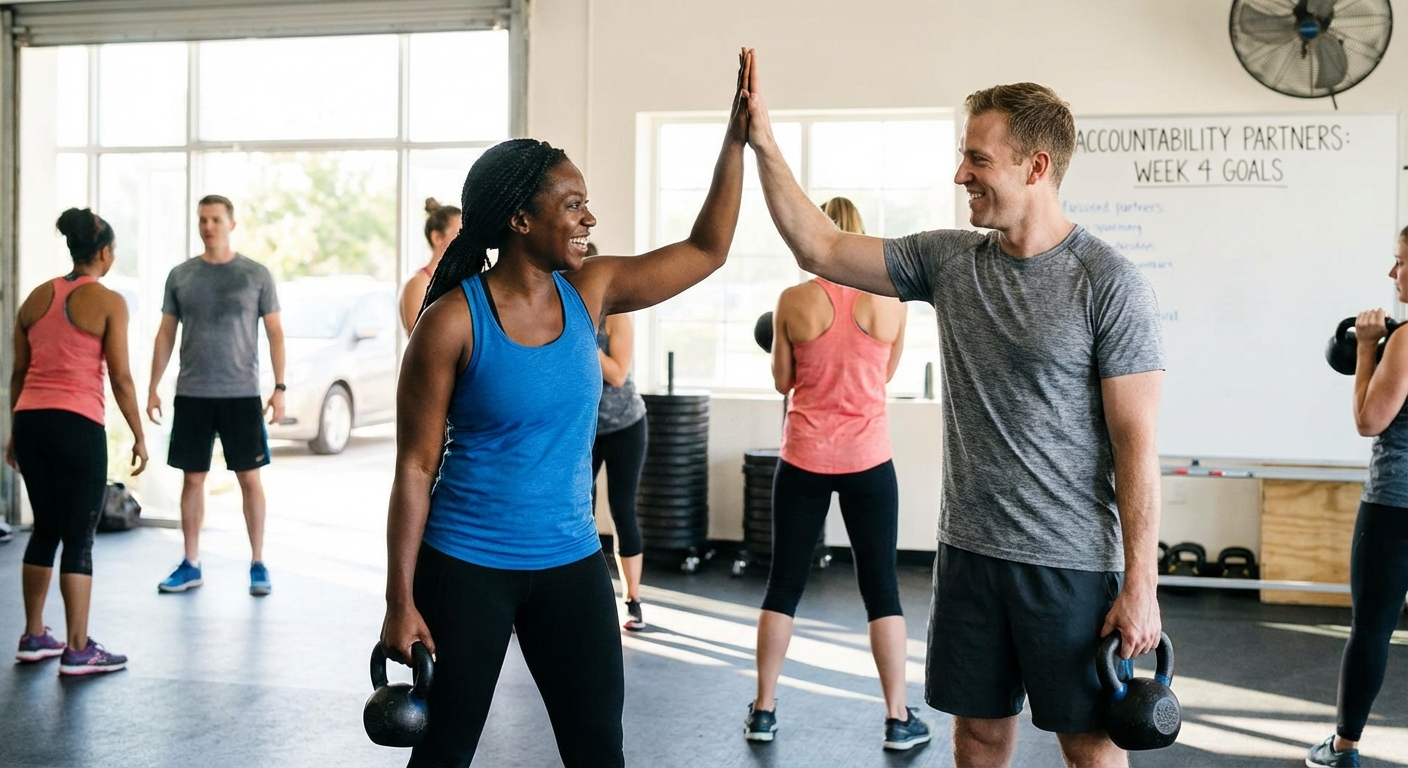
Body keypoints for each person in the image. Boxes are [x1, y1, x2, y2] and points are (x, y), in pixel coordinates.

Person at [744, 54, 1165, 767]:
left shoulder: (1108, 284)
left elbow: (1136, 444)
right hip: (968, 555)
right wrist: (763, 142)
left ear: (1035, 167)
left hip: (1065, 565)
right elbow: (816, 243)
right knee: (977, 736)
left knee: (1088, 745)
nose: (960, 174)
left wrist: (1141, 586)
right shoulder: (950, 261)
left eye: (977, 158)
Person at [379, 49, 752, 768]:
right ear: (520, 218)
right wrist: (399, 599)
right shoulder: (452, 321)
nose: (590, 217)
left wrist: (735, 142)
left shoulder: (593, 289)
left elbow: (708, 249)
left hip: (572, 564)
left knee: (597, 753)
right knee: (445, 753)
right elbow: (415, 465)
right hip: (464, 567)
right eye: (572, 204)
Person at [746, 197, 929, 750]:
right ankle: (898, 718)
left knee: (783, 585)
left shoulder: (792, 301)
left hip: (803, 457)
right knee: (883, 590)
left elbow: (783, 381)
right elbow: (885, 375)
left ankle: (763, 711)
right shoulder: (892, 302)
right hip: (868, 460)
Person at [9, 208, 148, 675]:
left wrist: (13, 432)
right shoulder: (108, 302)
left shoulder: (34, 298)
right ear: (104, 253)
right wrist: (139, 435)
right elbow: (122, 378)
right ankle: (77, 647)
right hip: (76, 426)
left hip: (30, 422)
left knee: (44, 527)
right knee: (78, 537)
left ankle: (33, 635)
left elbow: (18, 373)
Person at [1306, 225, 1408, 768]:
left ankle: (1344, 748)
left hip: (1395, 507)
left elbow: (1370, 420)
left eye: (1400, 262)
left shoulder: (1407, 338)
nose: (1393, 274)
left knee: (1371, 628)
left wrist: (1368, 347)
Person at [149, 195, 285, 596]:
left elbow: (275, 332)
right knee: (193, 480)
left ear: (231, 224)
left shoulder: (255, 275)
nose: (208, 226)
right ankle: (191, 563)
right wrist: (153, 386)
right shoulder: (180, 276)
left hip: (241, 394)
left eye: (215, 219)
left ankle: (258, 563)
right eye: (203, 220)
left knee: (249, 479)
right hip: (192, 393)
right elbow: (165, 334)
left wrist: (279, 388)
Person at [587, 242, 652, 632]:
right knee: (580, 511)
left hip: (626, 424)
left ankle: (633, 601)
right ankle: (590, 596)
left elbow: (617, 374)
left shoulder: (615, 315)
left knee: (622, 510)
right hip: (585, 428)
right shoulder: (557, 312)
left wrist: (581, 334)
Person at [400, 198, 463, 334]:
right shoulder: (420, 283)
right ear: (436, 237)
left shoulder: (460, 281)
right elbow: (418, 340)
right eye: (459, 233)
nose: (465, 240)